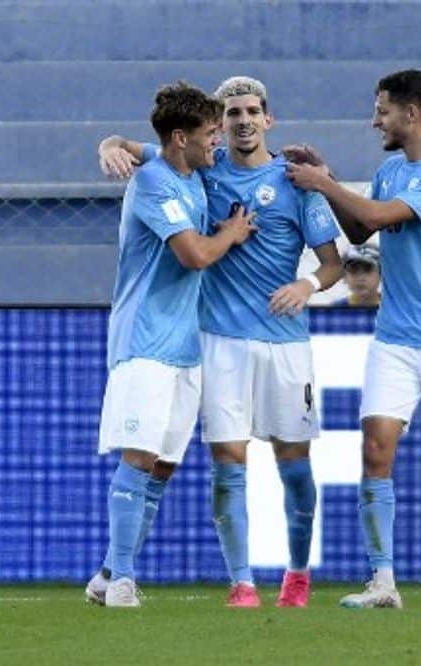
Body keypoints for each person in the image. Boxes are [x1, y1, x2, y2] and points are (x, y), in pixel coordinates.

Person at [90, 76, 343, 608]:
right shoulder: (199, 170)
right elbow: (151, 158)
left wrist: (307, 284)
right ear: (217, 128)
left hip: (264, 344)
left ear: (268, 119)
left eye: (252, 110)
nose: (241, 121)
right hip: (207, 342)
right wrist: (110, 143)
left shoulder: (293, 178)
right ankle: (237, 583)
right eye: (230, 115)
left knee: (279, 465)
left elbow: (334, 262)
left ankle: (296, 576)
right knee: (211, 462)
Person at [286, 69, 421, 611]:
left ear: (411, 113)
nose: (374, 120)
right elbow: (362, 229)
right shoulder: (389, 170)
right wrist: (329, 179)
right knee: (375, 449)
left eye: (382, 110)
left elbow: (380, 214)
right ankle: (383, 583)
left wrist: (323, 183)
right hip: (395, 336)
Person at [89, 82, 257, 607]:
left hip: (184, 346)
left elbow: (131, 143)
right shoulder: (154, 183)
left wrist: (112, 142)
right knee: (139, 456)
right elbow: (195, 255)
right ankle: (123, 581)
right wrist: (232, 232)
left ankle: (108, 573)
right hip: (144, 342)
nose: (218, 142)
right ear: (182, 138)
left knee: (162, 466)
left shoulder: (188, 168)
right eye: (211, 133)